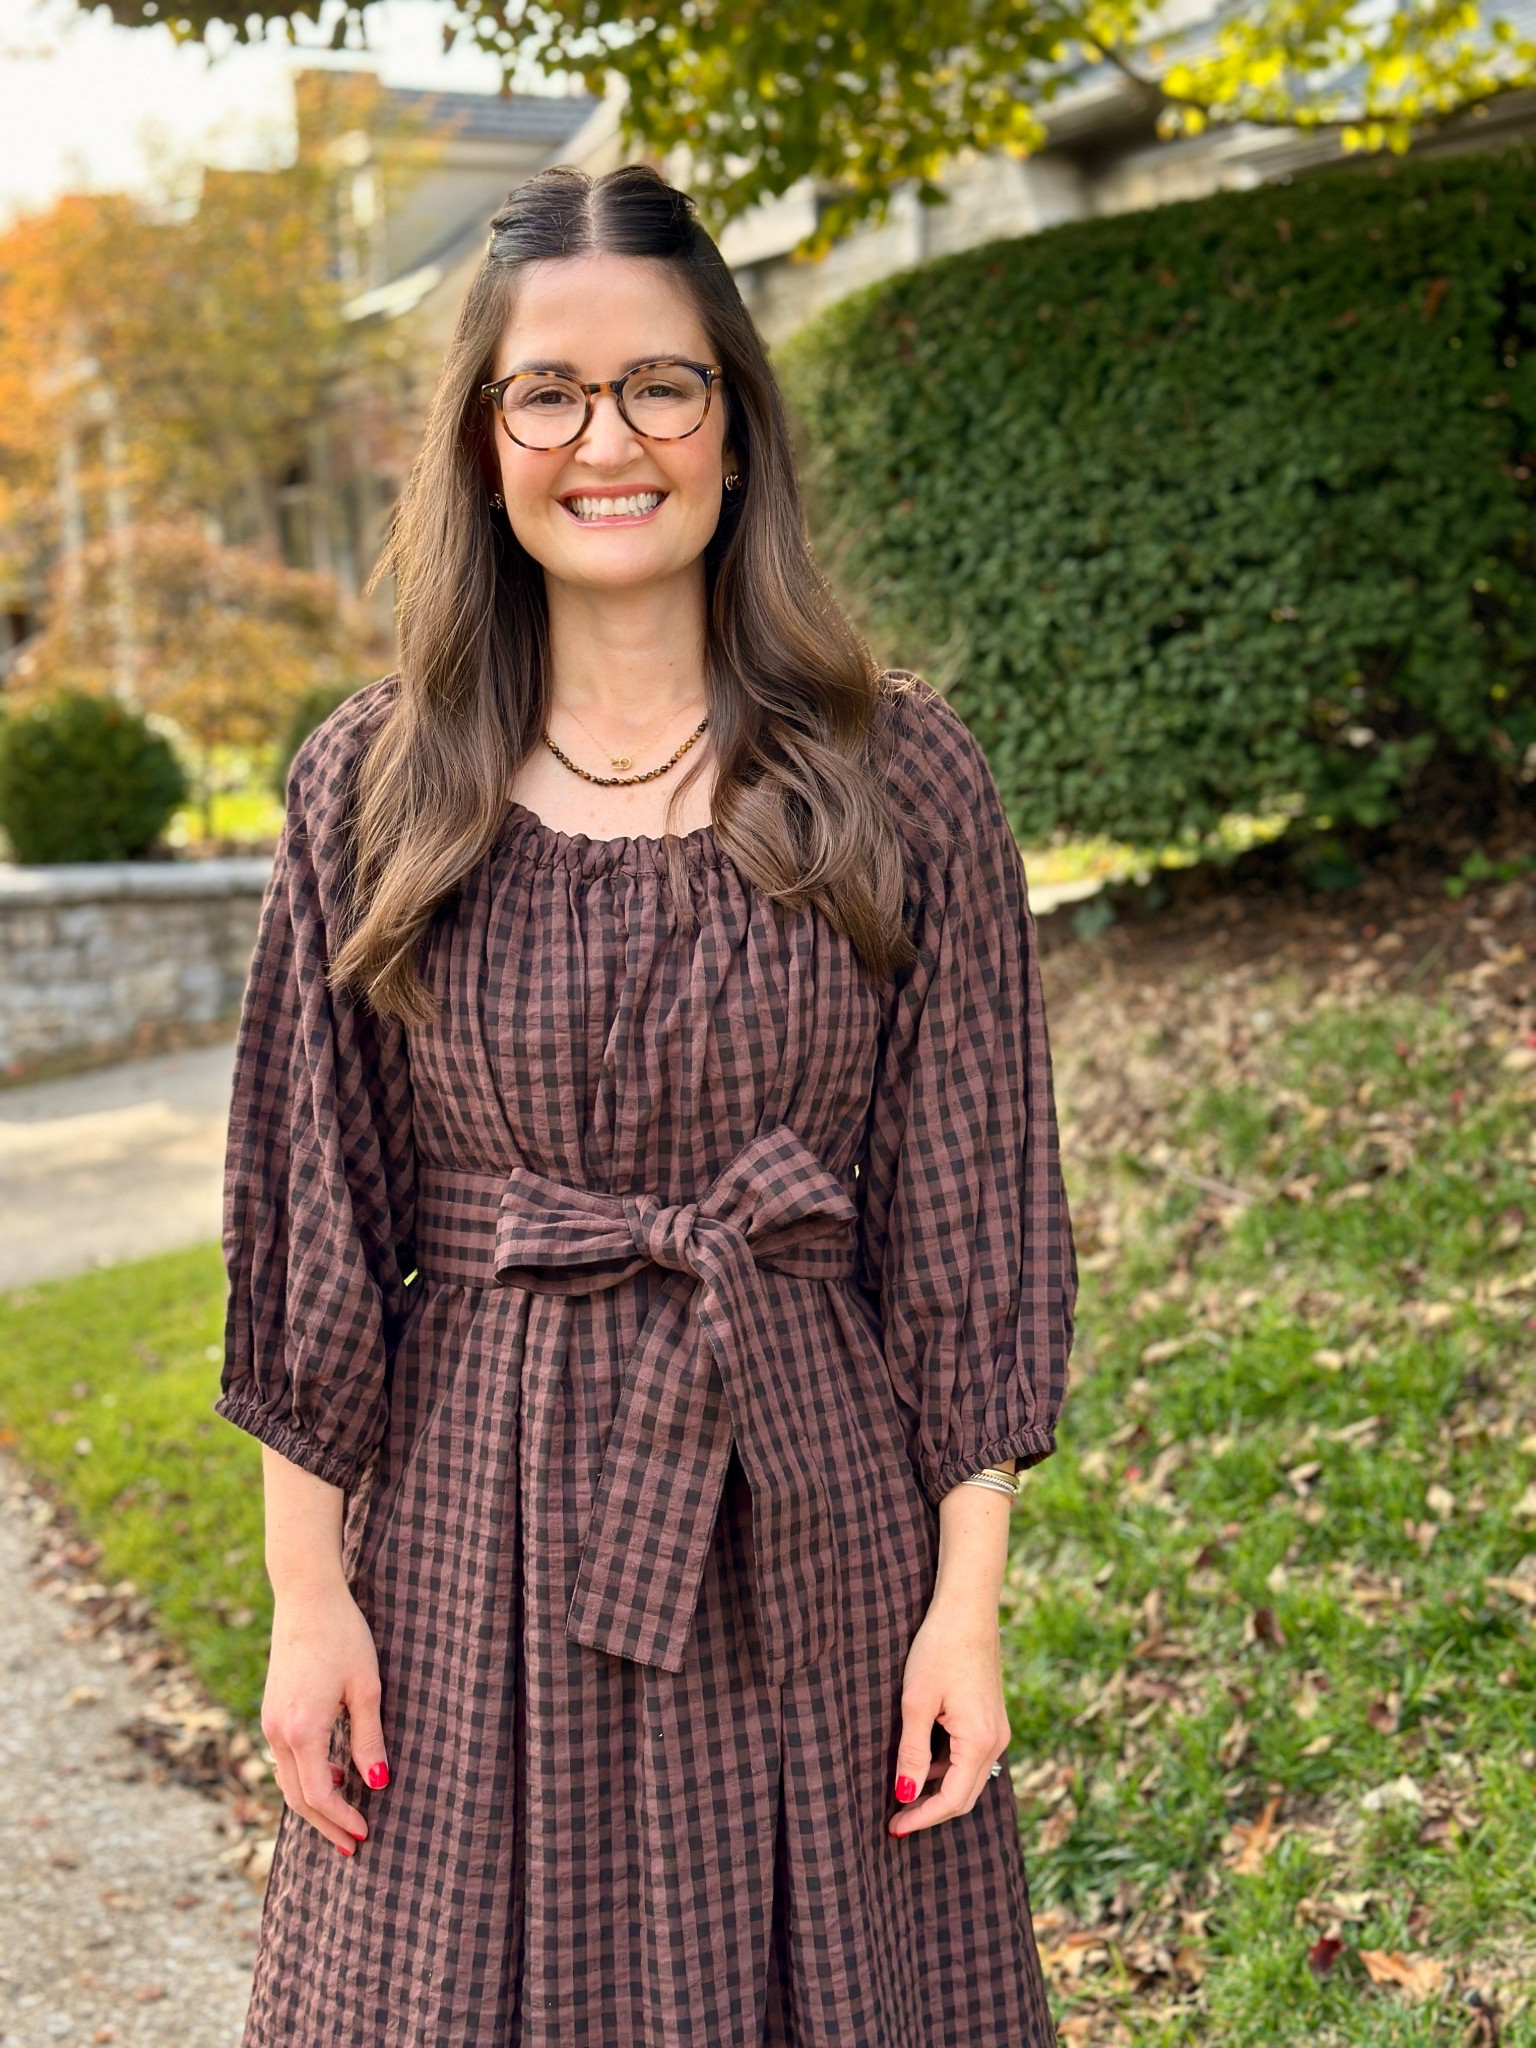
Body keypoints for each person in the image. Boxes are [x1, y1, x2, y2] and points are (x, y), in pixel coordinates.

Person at [215, 159, 1077, 2048]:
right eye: (549, 393)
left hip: (814, 1528)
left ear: (736, 424)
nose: (606, 440)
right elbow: (316, 1223)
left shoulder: (894, 771)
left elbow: (965, 1211)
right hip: (467, 1552)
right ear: (483, 437)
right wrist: (306, 1600)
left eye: (659, 386)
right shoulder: (374, 784)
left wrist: (968, 1602)